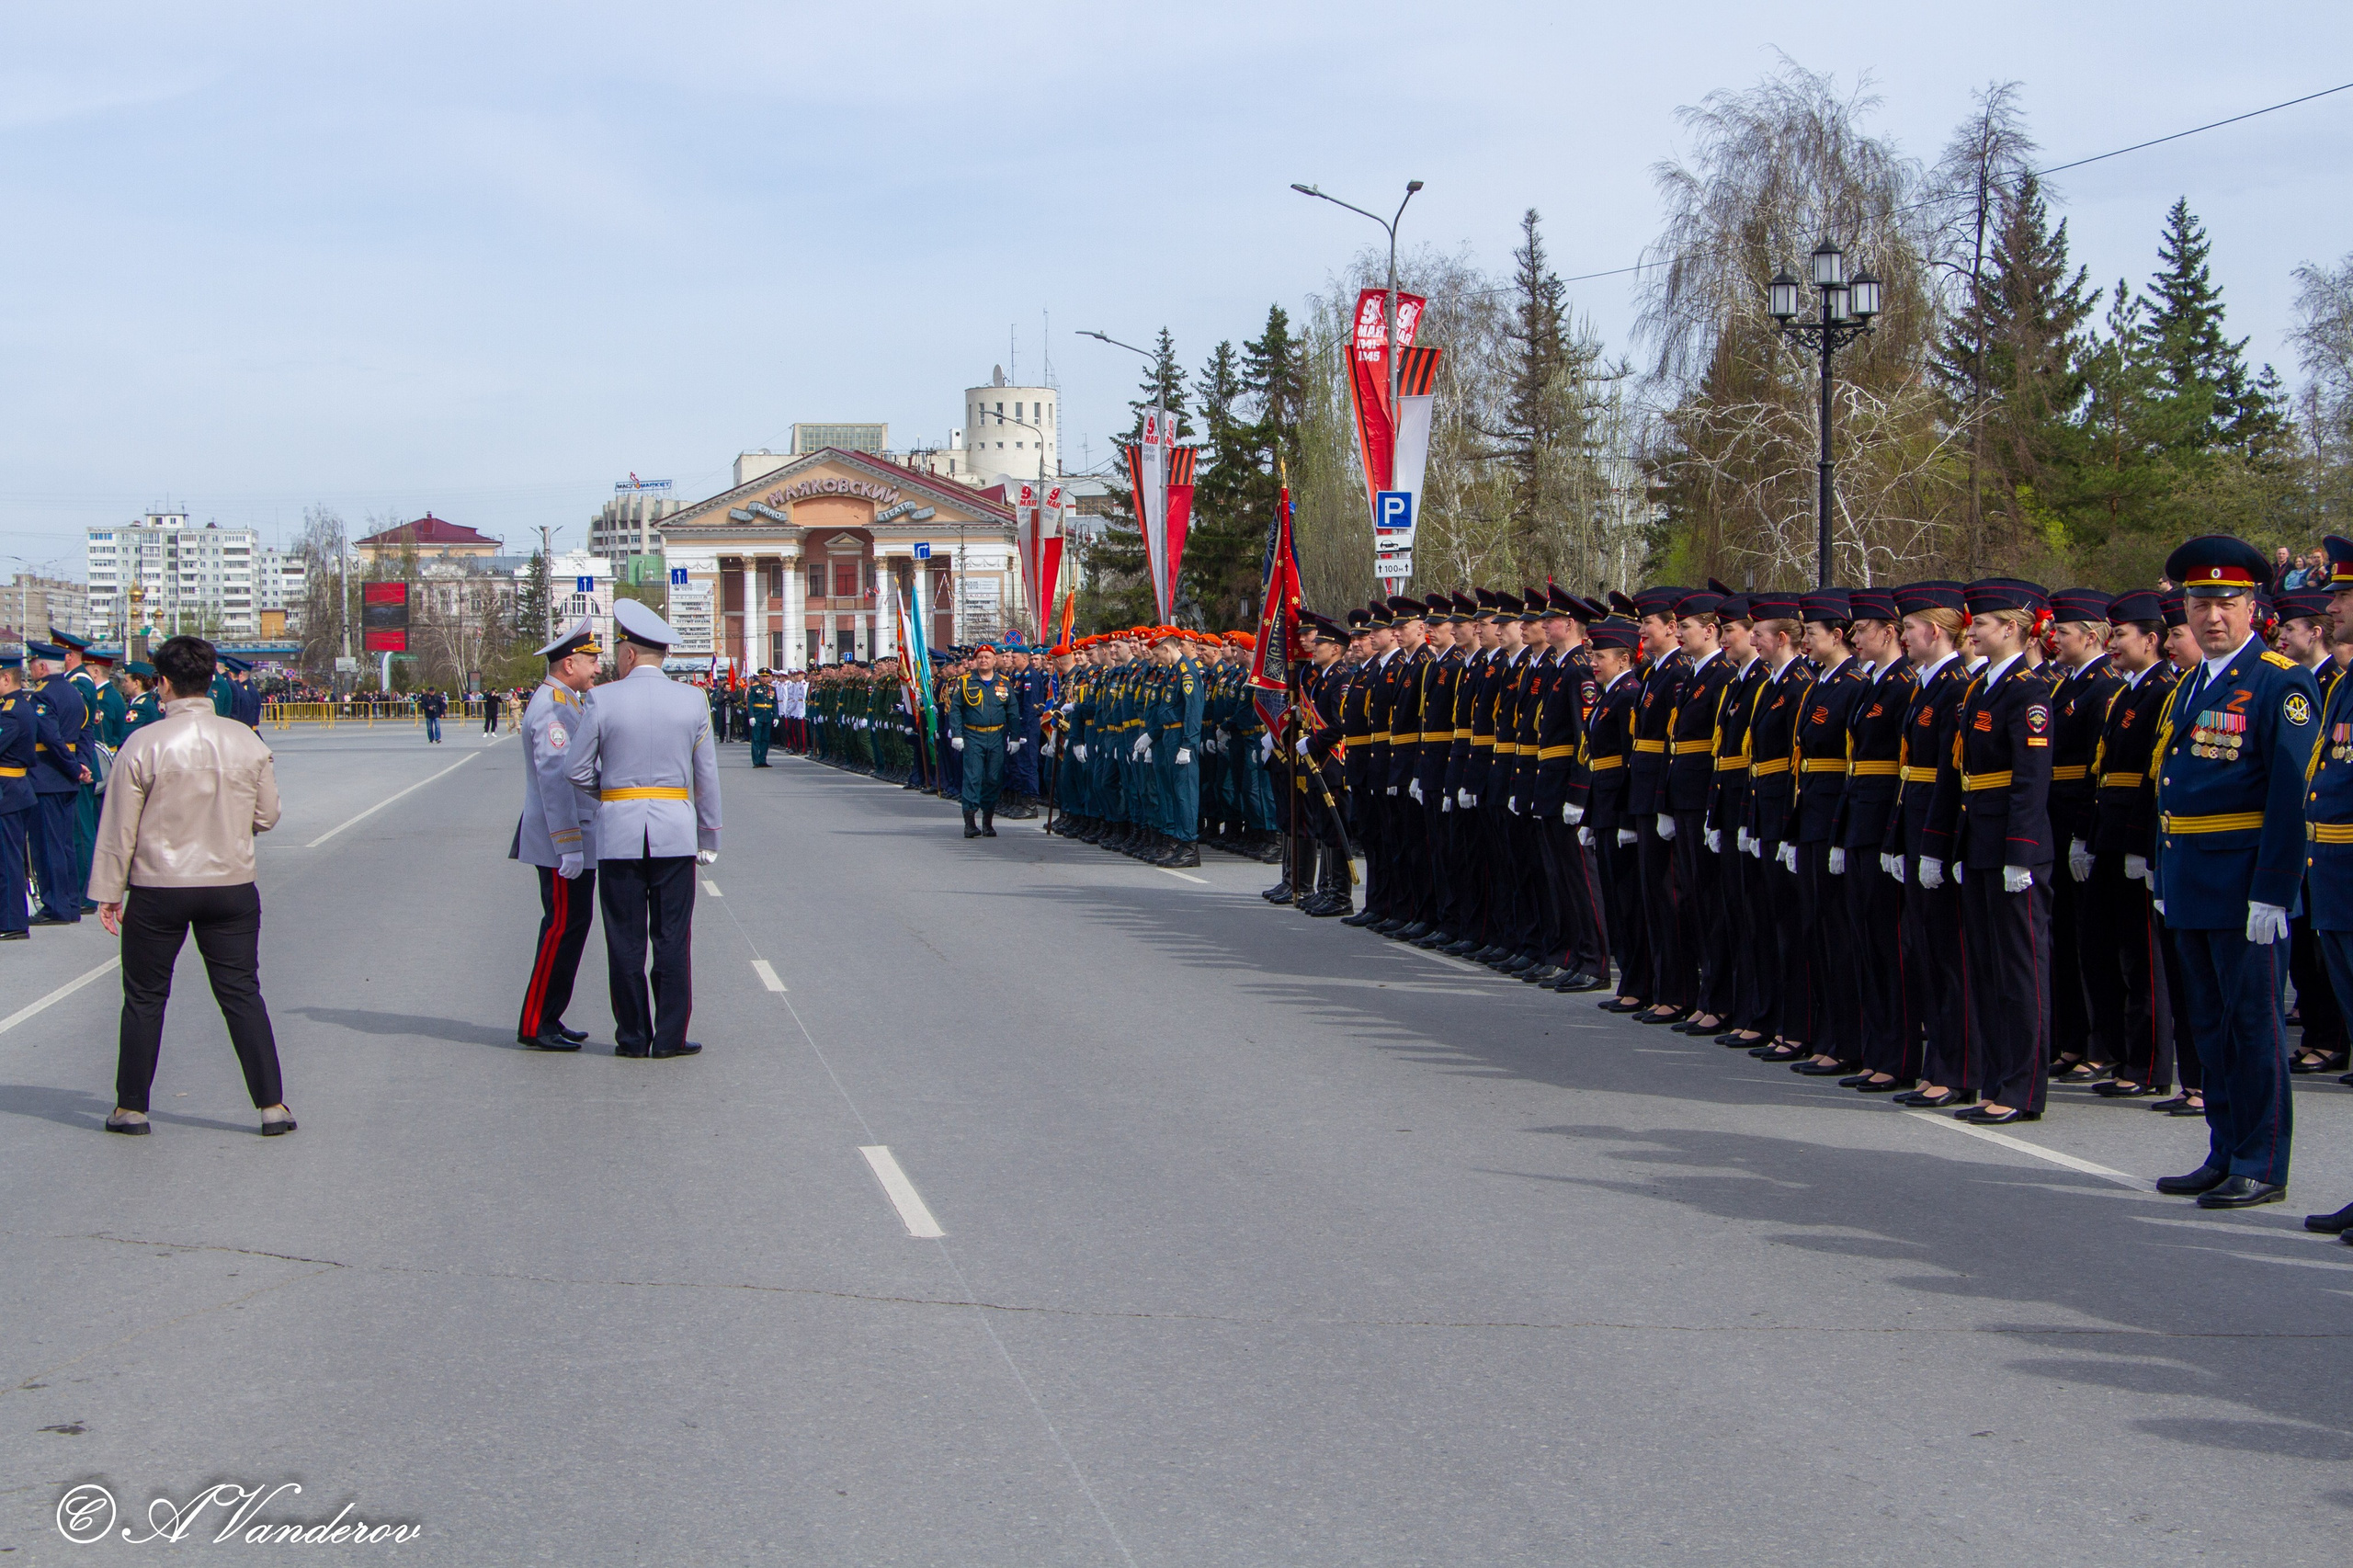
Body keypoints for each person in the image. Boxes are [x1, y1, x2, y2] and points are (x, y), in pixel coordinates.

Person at [2148, 535, 2319, 1209]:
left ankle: (2262, 1161)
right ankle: (2223, 1149)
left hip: (2247, 885)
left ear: (2254, 607)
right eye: (2200, 603)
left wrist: (2275, 889)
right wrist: (2166, 875)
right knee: (2209, 1027)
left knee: (2253, 1027)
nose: (2212, 616)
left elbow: (2290, 794)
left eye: (2226, 602)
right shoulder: (2191, 682)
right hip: (2191, 878)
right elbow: (2172, 786)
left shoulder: (2280, 681)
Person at [87, 634, 292, 1137]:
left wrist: (109, 891)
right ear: (210, 679)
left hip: (159, 886)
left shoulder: (143, 743)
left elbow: (119, 827)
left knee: (145, 997)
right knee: (241, 993)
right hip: (230, 884)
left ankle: (132, 1109)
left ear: (163, 683)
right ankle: (272, 1106)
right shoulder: (246, 740)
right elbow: (267, 815)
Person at [564, 598, 721, 1060]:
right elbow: (706, 777)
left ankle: (632, 1037)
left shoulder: (603, 698)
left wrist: (611, 794)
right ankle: (670, 1037)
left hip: (619, 833)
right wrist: (709, 835)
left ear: (629, 653)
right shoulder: (693, 699)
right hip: (675, 833)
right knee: (672, 937)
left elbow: (575, 769)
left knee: (624, 940)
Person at [511, 619, 604, 1051]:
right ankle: (536, 1022)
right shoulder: (553, 708)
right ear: (570, 663)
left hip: (573, 836)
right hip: (562, 840)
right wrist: (569, 845)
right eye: (591, 660)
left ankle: (550, 1014)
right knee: (561, 928)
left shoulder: (567, 702)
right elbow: (555, 779)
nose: (598, 668)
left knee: (572, 927)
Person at [24, 639, 90, 925]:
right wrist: (81, 764)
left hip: (48, 775)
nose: (30, 670)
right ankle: (71, 902)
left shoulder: (43, 696)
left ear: (41, 667)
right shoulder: (73, 692)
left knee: (48, 845)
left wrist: (74, 767)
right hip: (66, 776)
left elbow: (50, 738)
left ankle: (56, 906)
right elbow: (84, 731)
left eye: (32, 665)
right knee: (64, 844)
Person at [946, 642, 1026, 839]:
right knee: (973, 777)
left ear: (994, 661)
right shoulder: (965, 682)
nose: (983, 660)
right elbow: (955, 709)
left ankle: (988, 821)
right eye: (980, 657)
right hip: (973, 735)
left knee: (993, 778)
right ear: (975, 660)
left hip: (997, 736)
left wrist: (1015, 737)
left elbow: (1012, 711)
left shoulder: (1004, 683)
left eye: (987, 657)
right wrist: (956, 734)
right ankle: (970, 822)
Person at [0, 653, 35, 941]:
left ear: (5, 678)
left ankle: (12, 921)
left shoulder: (11, 711)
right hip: (13, 789)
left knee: (7, 859)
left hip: (8, 792)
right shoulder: (16, 706)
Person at [747, 669, 777, 767]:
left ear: (769, 677)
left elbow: (774, 703)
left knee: (765, 739)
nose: (764, 679)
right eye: (763, 676)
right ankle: (756, 761)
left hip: (767, 717)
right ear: (759, 677)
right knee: (756, 739)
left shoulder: (772, 688)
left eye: (766, 677)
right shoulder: (754, 687)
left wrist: (776, 716)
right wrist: (751, 716)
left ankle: (763, 760)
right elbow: (750, 703)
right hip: (757, 716)